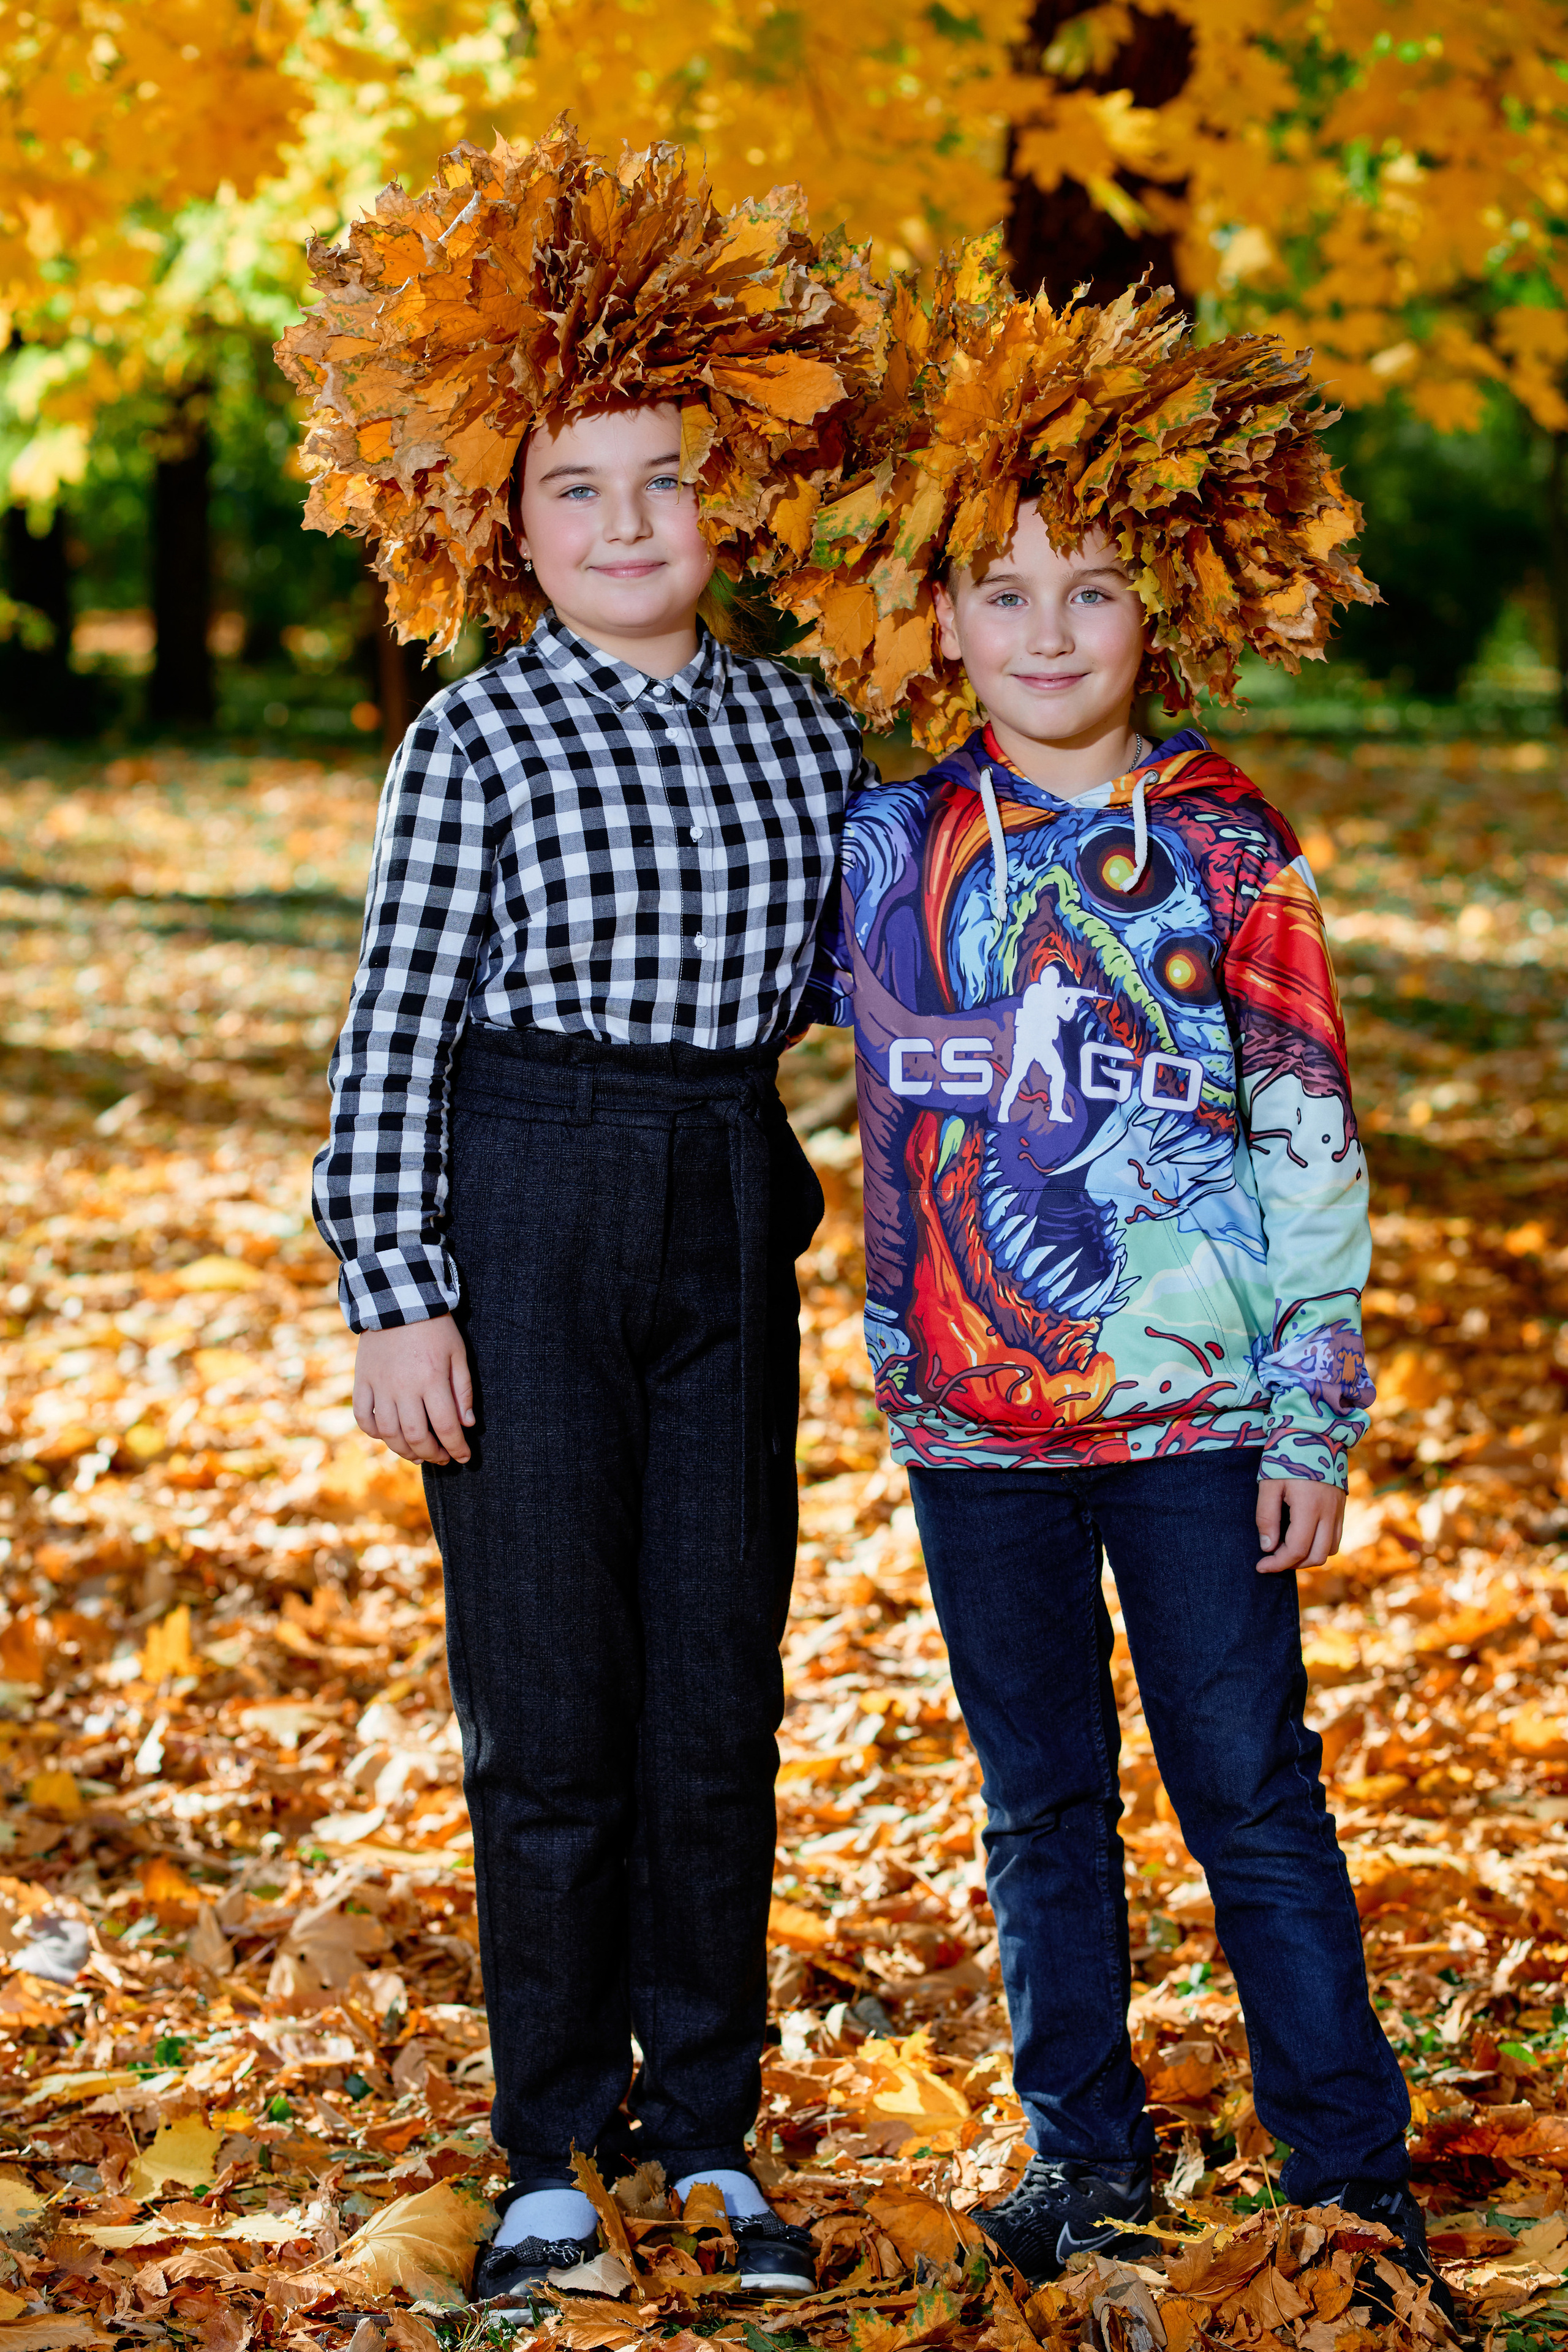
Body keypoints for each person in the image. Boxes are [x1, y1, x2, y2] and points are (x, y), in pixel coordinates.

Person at [792, 273, 1455, 2323]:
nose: (1050, 631)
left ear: (1154, 608)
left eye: (1090, 590)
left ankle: (1349, 2173)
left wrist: (1314, 1401)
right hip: (972, 1421)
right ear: (943, 619)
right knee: (1040, 1801)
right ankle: (1084, 2154)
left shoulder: (1231, 843)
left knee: (1249, 1785)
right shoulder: (885, 842)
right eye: (1004, 593)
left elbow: (1309, 1125)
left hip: (1201, 1413)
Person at [277, 123, 884, 2306]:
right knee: (550, 1694)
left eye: (666, 483)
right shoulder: (478, 742)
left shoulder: (808, 731)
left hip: (724, 1193)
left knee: (715, 1682)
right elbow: (393, 1033)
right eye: (575, 491)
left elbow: (881, 981)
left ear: (733, 502)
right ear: (505, 522)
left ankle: (704, 2127)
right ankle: (550, 2140)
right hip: (522, 1203)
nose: (627, 525)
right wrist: (397, 1293)